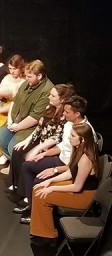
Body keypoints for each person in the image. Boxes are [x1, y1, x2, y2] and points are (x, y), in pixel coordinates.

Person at [16, 95, 96, 224]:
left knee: (39, 180)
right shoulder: (69, 125)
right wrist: (44, 154)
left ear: (77, 113)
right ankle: (32, 205)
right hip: (61, 160)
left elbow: (75, 167)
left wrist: (54, 170)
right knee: (27, 165)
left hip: (68, 166)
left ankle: (36, 213)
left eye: (67, 112)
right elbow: (62, 146)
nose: (63, 113)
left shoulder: (85, 133)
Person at [7, 83, 75, 221]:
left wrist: (40, 149)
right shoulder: (49, 108)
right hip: (41, 141)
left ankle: (28, 197)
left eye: (53, 95)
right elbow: (39, 128)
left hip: (51, 146)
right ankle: (21, 191)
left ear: (61, 100)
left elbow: (58, 138)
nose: (49, 97)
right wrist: (27, 141)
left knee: (27, 159)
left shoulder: (65, 117)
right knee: (18, 151)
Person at [29, 123, 100, 248]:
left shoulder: (86, 159)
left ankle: (48, 236)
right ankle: (42, 229)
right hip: (77, 188)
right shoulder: (78, 150)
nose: (69, 138)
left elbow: (77, 187)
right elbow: (70, 172)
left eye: (72, 136)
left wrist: (52, 188)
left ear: (82, 139)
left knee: (41, 195)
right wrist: (49, 181)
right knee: (40, 187)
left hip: (85, 196)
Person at [0, 59, 54, 173]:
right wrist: (10, 120)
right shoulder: (27, 83)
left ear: (39, 76)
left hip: (30, 126)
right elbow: (14, 101)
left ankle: (16, 168)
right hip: (16, 121)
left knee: (14, 146)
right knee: (0, 136)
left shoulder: (47, 90)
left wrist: (18, 127)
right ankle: (13, 162)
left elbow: (35, 117)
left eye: (29, 76)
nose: (26, 78)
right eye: (26, 76)